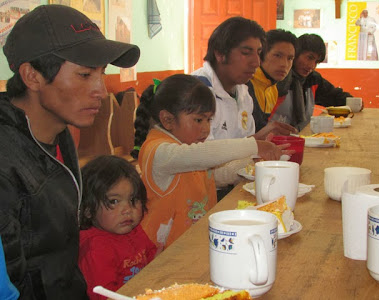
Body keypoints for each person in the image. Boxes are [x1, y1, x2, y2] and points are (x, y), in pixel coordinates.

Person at [0, 5, 140, 299]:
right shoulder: (6, 161)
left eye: (101, 74)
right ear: (32, 76)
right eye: (85, 74)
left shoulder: (59, 133)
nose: (100, 90)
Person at [131, 74, 292, 253]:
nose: (206, 128)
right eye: (199, 120)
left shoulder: (188, 147)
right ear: (168, 120)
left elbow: (216, 176)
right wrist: (254, 145)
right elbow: (200, 156)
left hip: (192, 246)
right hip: (161, 254)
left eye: (209, 120)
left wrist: (253, 162)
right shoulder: (160, 151)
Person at [191, 16, 296, 141]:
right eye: (246, 53)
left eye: (258, 53)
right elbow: (200, 154)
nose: (256, 62)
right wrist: (257, 139)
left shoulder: (243, 93)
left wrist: (263, 139)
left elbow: (243, 143)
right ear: (220, 54)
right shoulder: (195, 91)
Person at [78, 155, 157, 300]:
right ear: (88, 210)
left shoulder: (134, 230)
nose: (127, 209)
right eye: (114, 201)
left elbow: (153, 261)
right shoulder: (96, 248)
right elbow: (104, 296)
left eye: (133, 199)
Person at [272, 33, 353, 131]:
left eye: (316, 62)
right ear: (295, 54)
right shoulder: (278, 79)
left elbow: (335, 96)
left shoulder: (312, 79)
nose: (312, 66)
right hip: (272, 140)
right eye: (309, 58)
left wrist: (355, 103)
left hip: (300, 137)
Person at [247, 29, 297, 132]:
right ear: (261, 55)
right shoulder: (244, 85)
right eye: (277, 55)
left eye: (290, 58)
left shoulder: (273, 90)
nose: (284, 64)